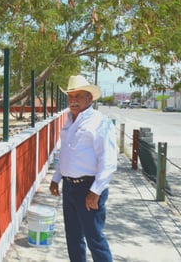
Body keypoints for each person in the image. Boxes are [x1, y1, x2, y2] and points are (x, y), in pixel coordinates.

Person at [49, 75, 117, 262]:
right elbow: (66, 153)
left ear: (89, 98)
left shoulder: (99, 122)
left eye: (78, 96)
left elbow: (109, 160)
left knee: (94, 238)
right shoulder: (70, 120)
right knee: (73, 237)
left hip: (89, 188)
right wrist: (56, 177)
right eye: (71, 96)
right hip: (69, 187)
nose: (73, 100)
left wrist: (95, 191)